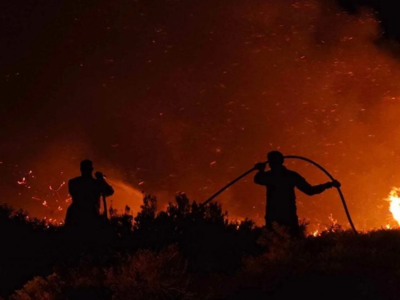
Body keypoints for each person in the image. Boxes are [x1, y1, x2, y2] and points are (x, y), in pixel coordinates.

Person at [254, 151, 340, 237]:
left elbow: (258, 179)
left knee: (272, 244)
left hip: (273, 217)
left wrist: (261, 170)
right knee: (293, 244)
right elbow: (310, 190)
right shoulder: (291, 175)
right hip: (289, 216)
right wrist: (329, 185)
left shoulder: (270, 176)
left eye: (270, 161)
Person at [65, 159, 114, 232]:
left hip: (76, 216)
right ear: (92, 169)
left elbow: (109, 191)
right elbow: (109, 191)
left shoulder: (74, 182)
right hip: (89, 216)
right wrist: (101, 180)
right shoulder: (95, 184)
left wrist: (101, 180)